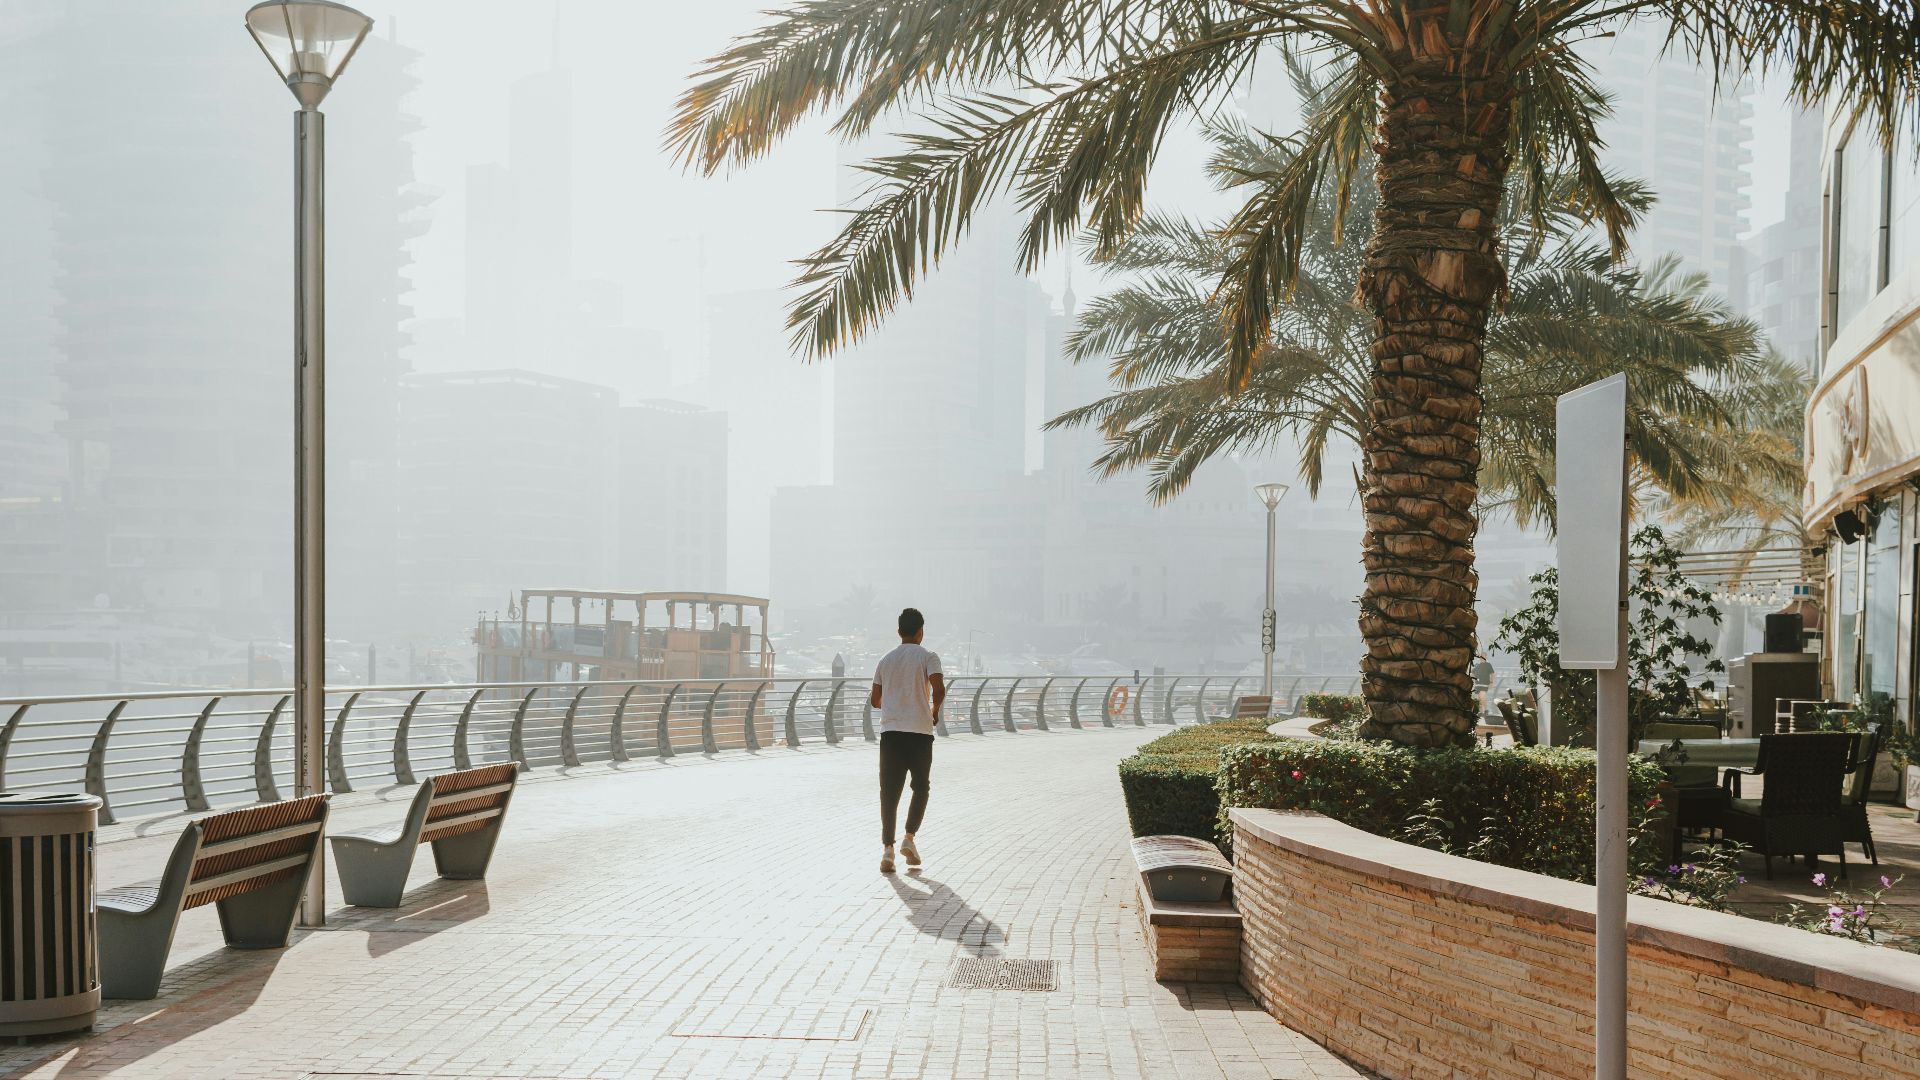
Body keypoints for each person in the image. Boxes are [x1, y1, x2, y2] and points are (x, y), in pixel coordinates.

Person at [870, 607, 945, 874]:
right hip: (920, 733)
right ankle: (909, 838)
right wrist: (933, 711)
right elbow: (938, 688)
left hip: (891, 734)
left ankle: (887, 851)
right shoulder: (929, 657)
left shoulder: (886, 660)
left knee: (888, 793)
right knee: (920, 788)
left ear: (899, 631)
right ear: (921, 632)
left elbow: (875, 701)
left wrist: (894, 699)